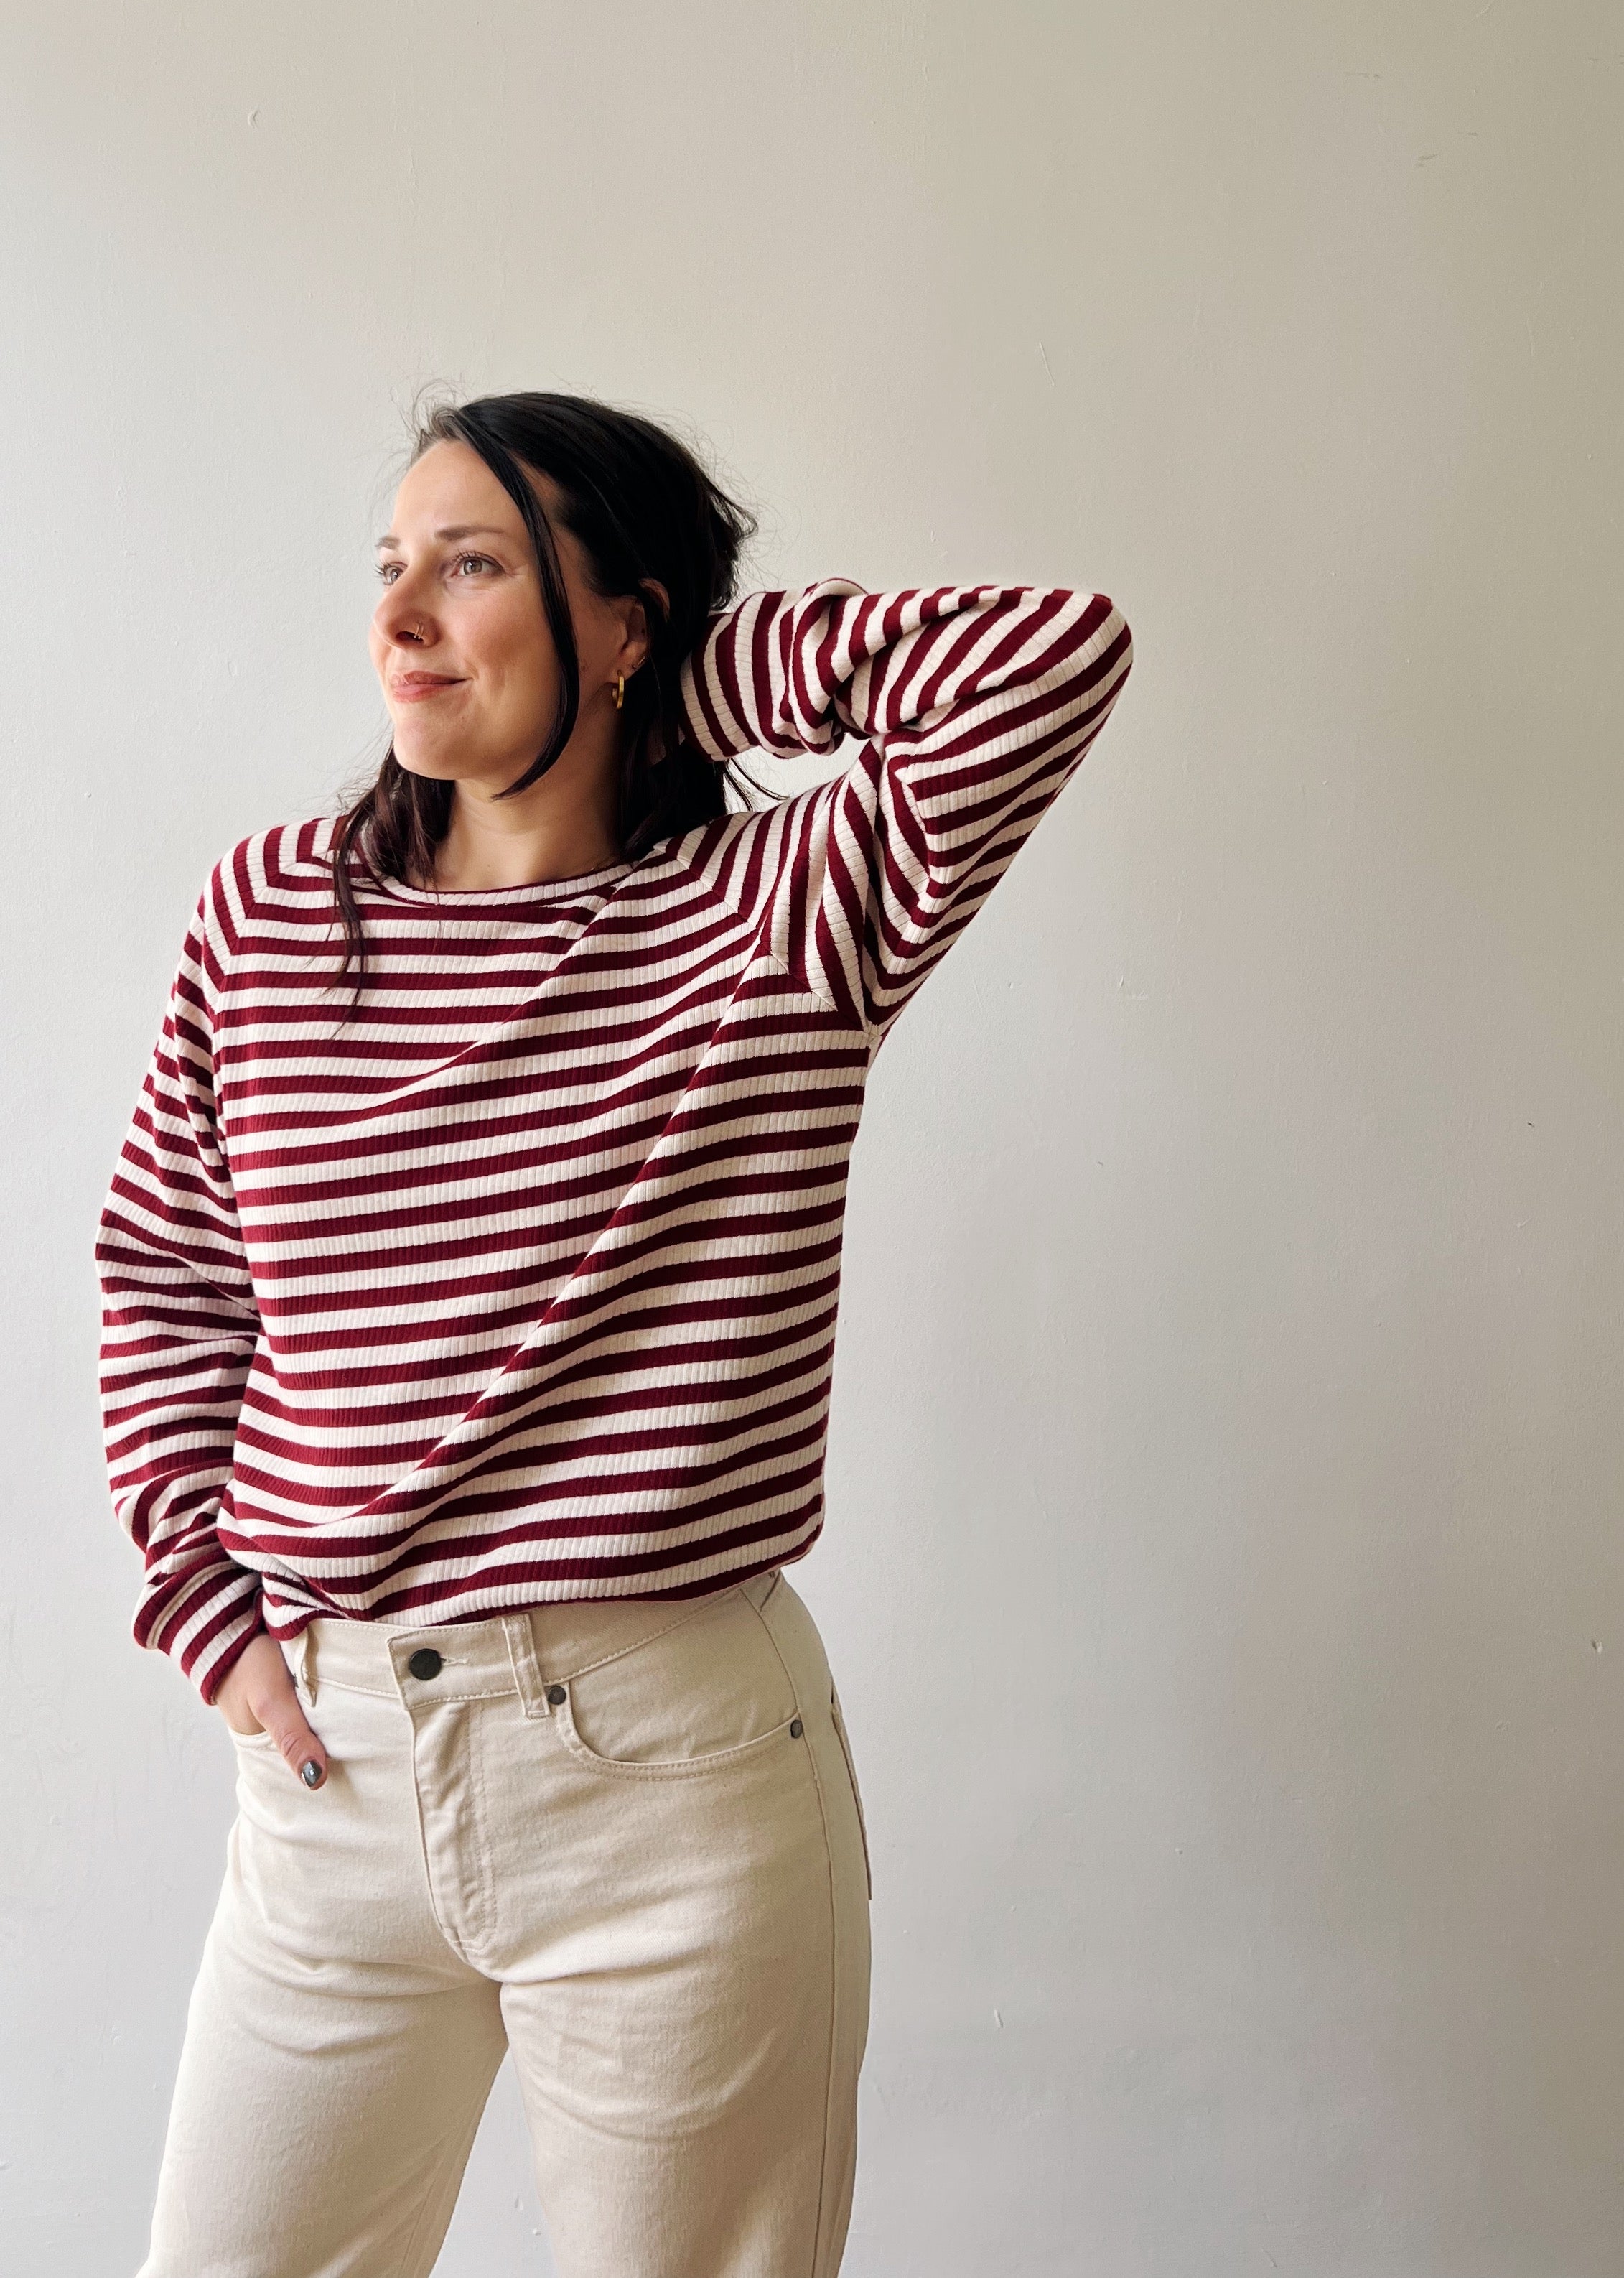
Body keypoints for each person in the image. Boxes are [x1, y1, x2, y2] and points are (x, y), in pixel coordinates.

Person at [96, 390, 1132, 2278]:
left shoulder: (779, 913)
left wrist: (707, 678)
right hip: (331, 1782)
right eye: (389, 564)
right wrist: (203, 1602)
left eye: (472, 565)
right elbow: (170, 1272)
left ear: (625, 620)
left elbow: (1051, 655)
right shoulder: (270, 918)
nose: (401, 615)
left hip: (668, 1788)